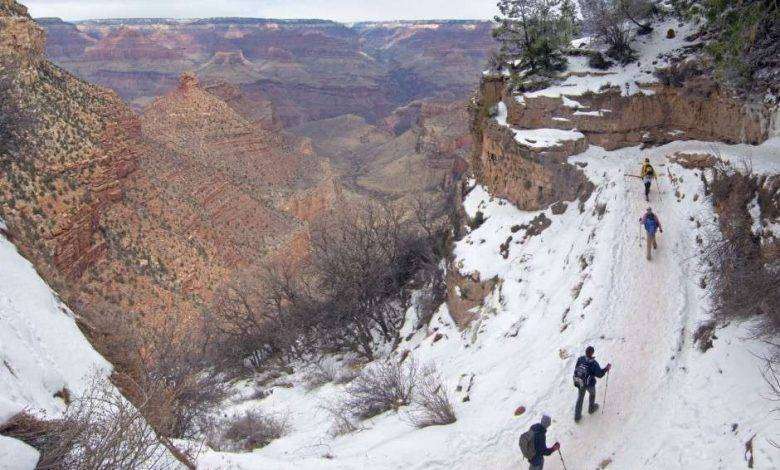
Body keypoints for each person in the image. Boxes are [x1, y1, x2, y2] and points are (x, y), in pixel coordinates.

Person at [573, 346, 611, 422]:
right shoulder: (594, 363)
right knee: (592, 394)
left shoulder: (580, 359)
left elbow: (576, 368)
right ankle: (591, 408)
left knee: (580, 398)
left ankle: (577, 417)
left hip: (580, 382)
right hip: (590, 384)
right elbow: (600, 374)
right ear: (592, 353)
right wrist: (606, 368)